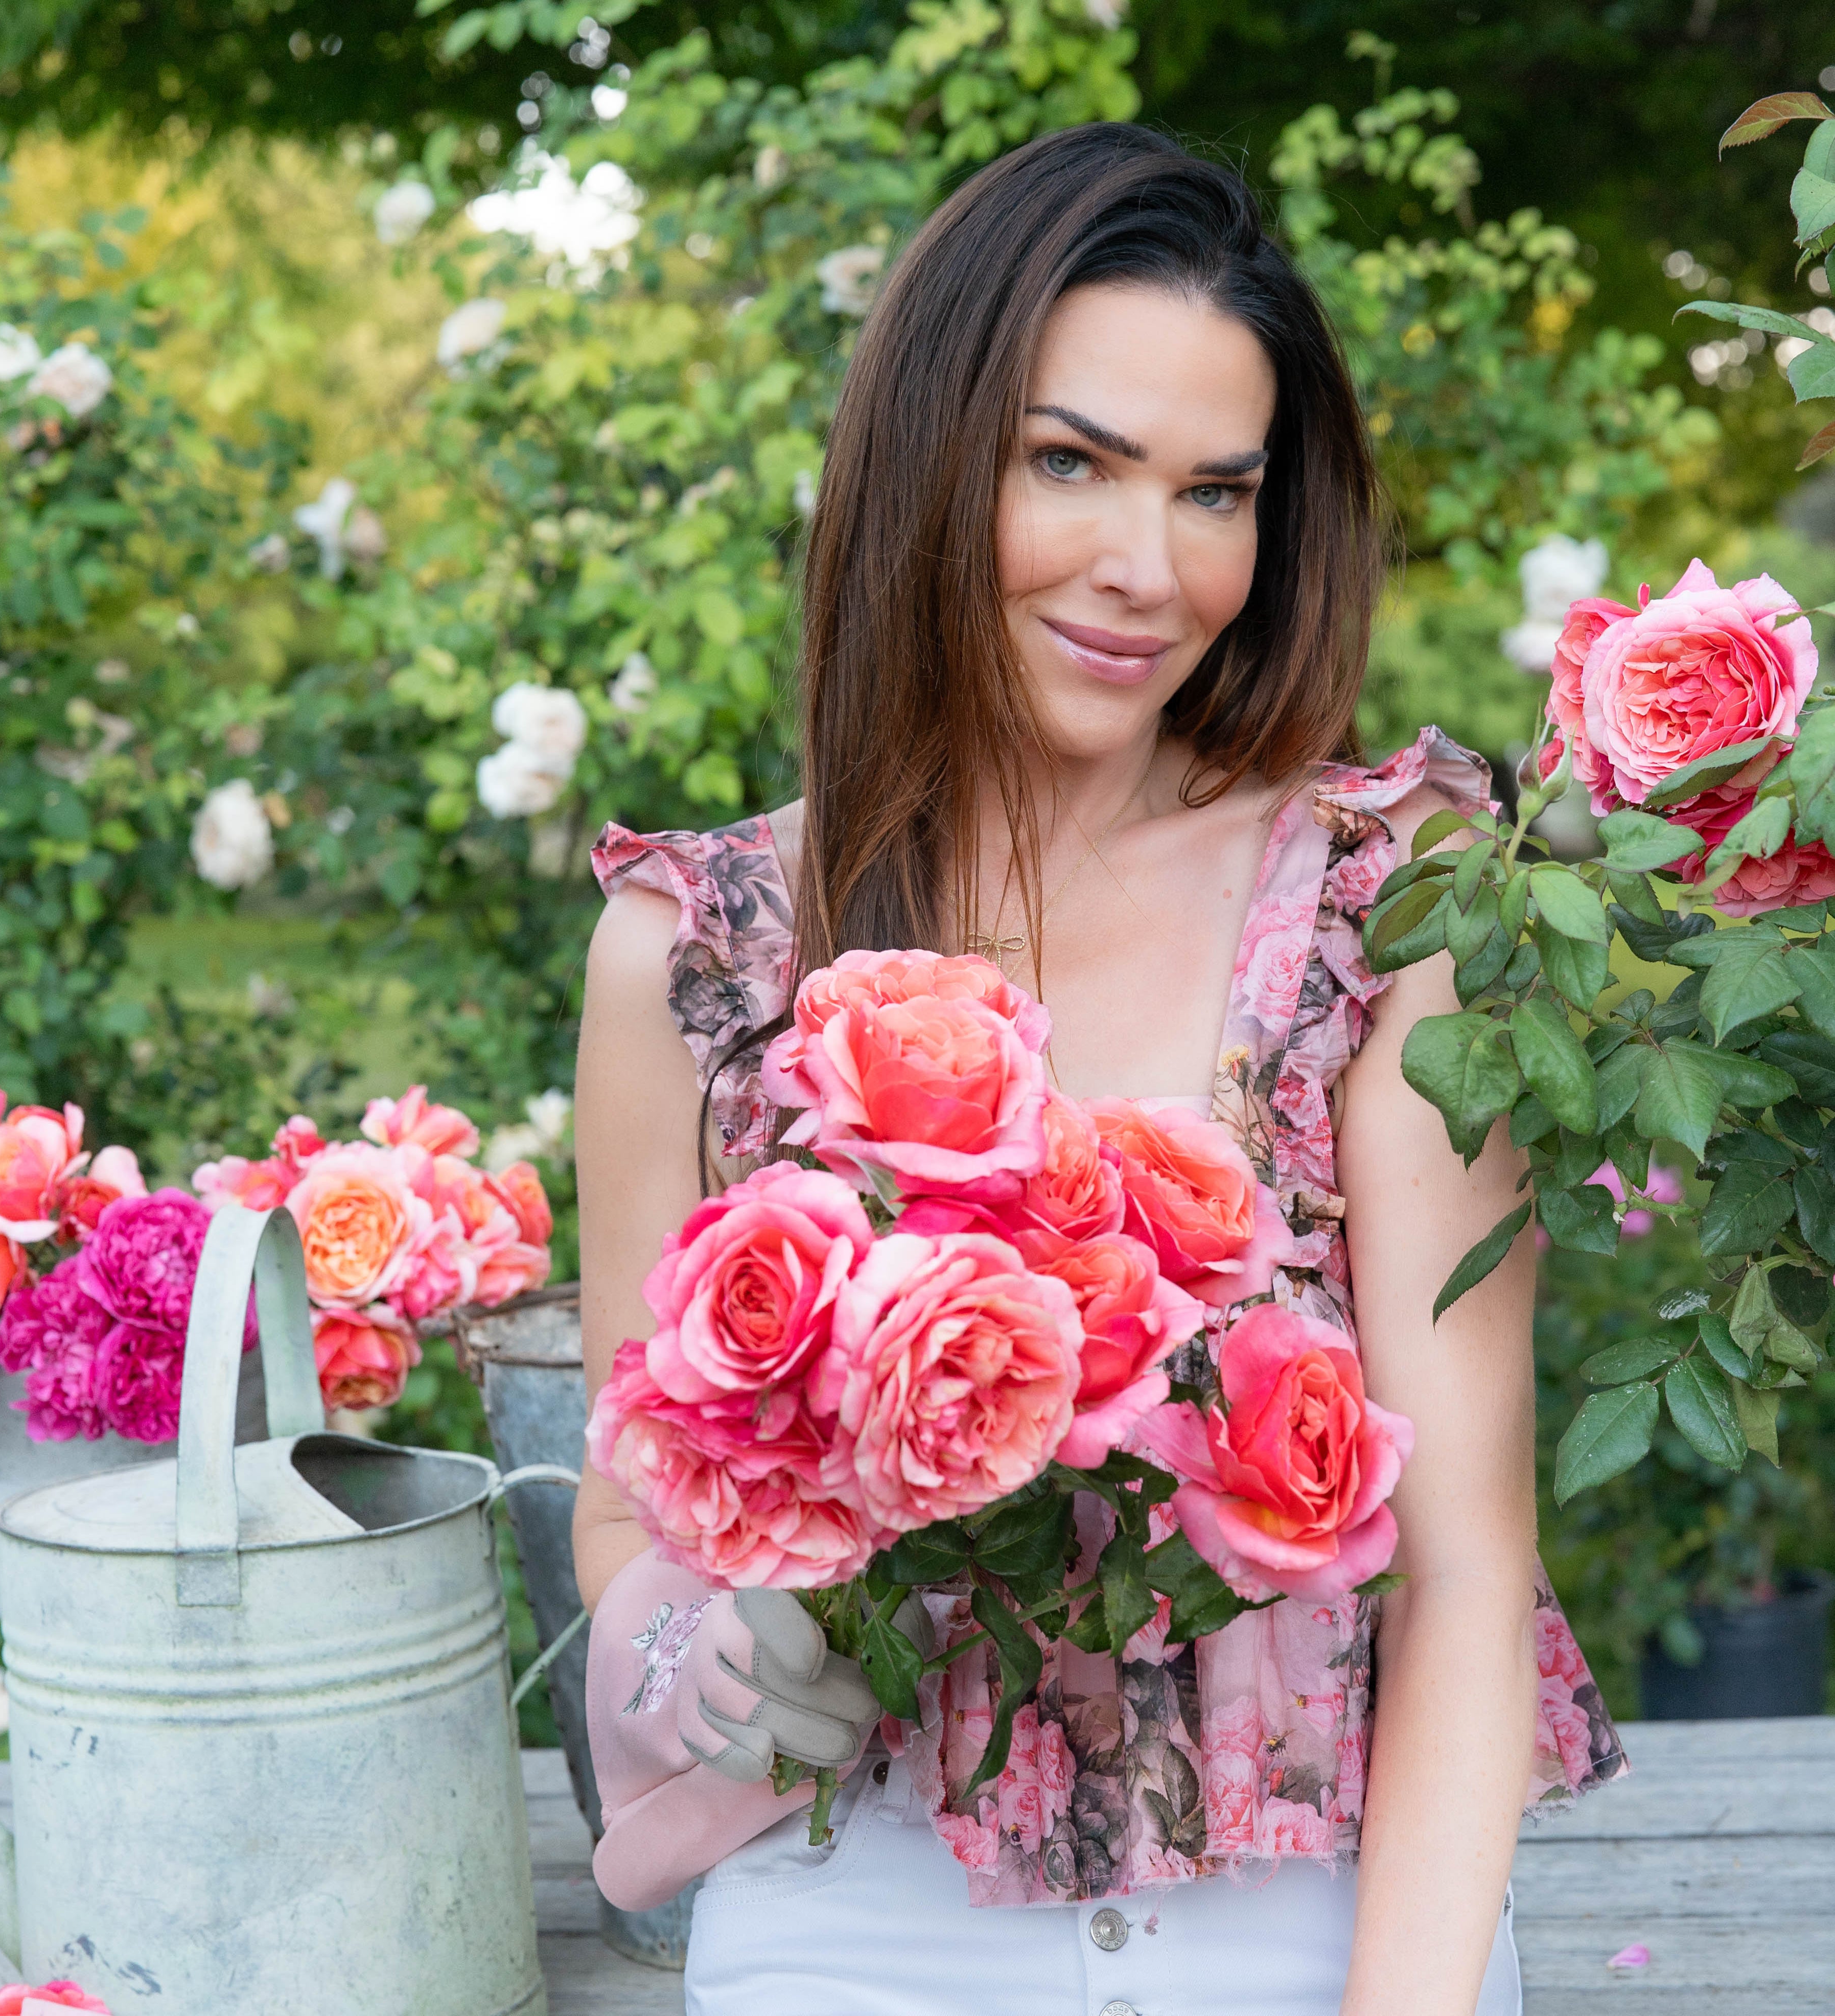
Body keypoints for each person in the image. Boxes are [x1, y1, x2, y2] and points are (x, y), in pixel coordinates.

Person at [570, 122, 1624, 2016]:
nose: (1150, 568)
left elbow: (1465, 1564)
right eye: (1071, 464)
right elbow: (621, 1499)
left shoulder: (1383, 922)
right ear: (930, 454)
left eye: (1217, 493)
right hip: (856, 1902)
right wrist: (711, 1657)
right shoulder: (697, 952)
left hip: (1313, 1910)